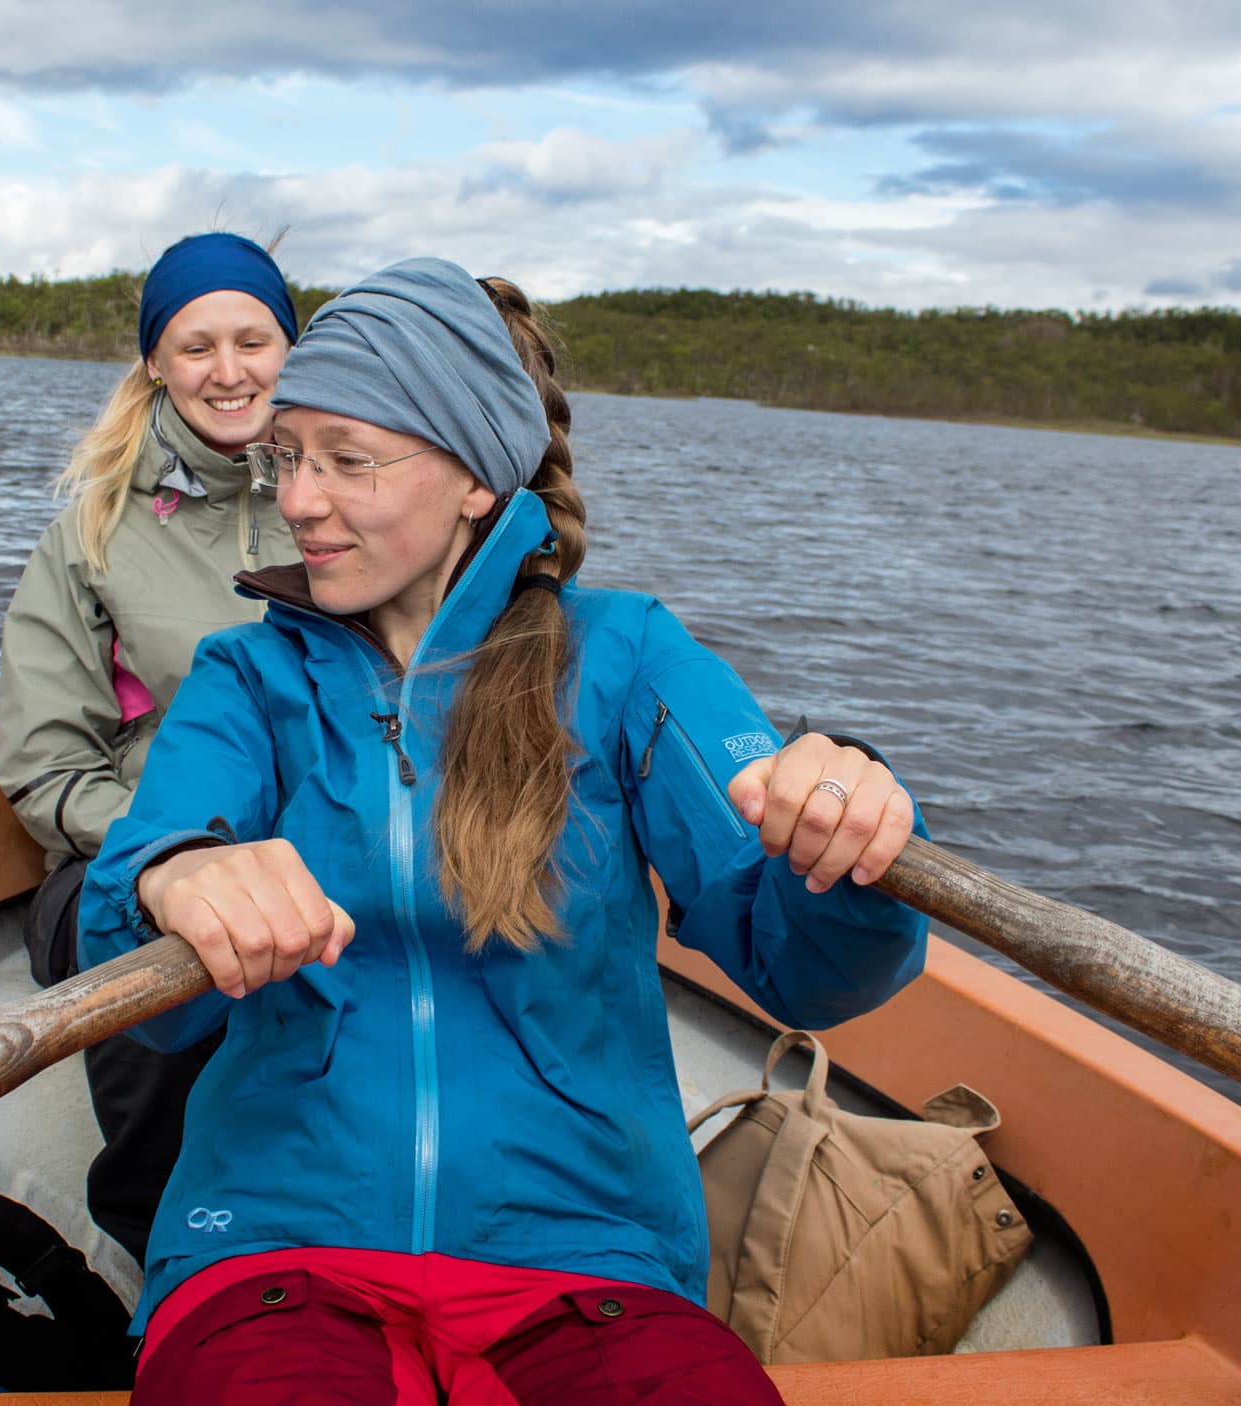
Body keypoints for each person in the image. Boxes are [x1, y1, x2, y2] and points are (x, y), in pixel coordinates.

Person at [76, 258, 930, 1405]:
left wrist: (846, 841)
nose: (299, 499)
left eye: (348, 459)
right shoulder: (249, 674)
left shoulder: (626, 658)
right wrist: (179, 877)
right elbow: (128, 941)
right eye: (288, 454)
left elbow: (800, 967)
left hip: (588, 1255)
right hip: (277, 1248)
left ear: (477, 479)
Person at [0, 232, 306, 1264]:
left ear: (289, 348)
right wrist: (173, 853)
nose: (229, 371)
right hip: (117, 852)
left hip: (313, 841)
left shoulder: (345, 501)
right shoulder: (90, 533)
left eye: (253, 339)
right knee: (186, 950)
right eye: (196, 344)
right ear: (156, 366)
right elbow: (46, 772)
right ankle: (163, 1243)